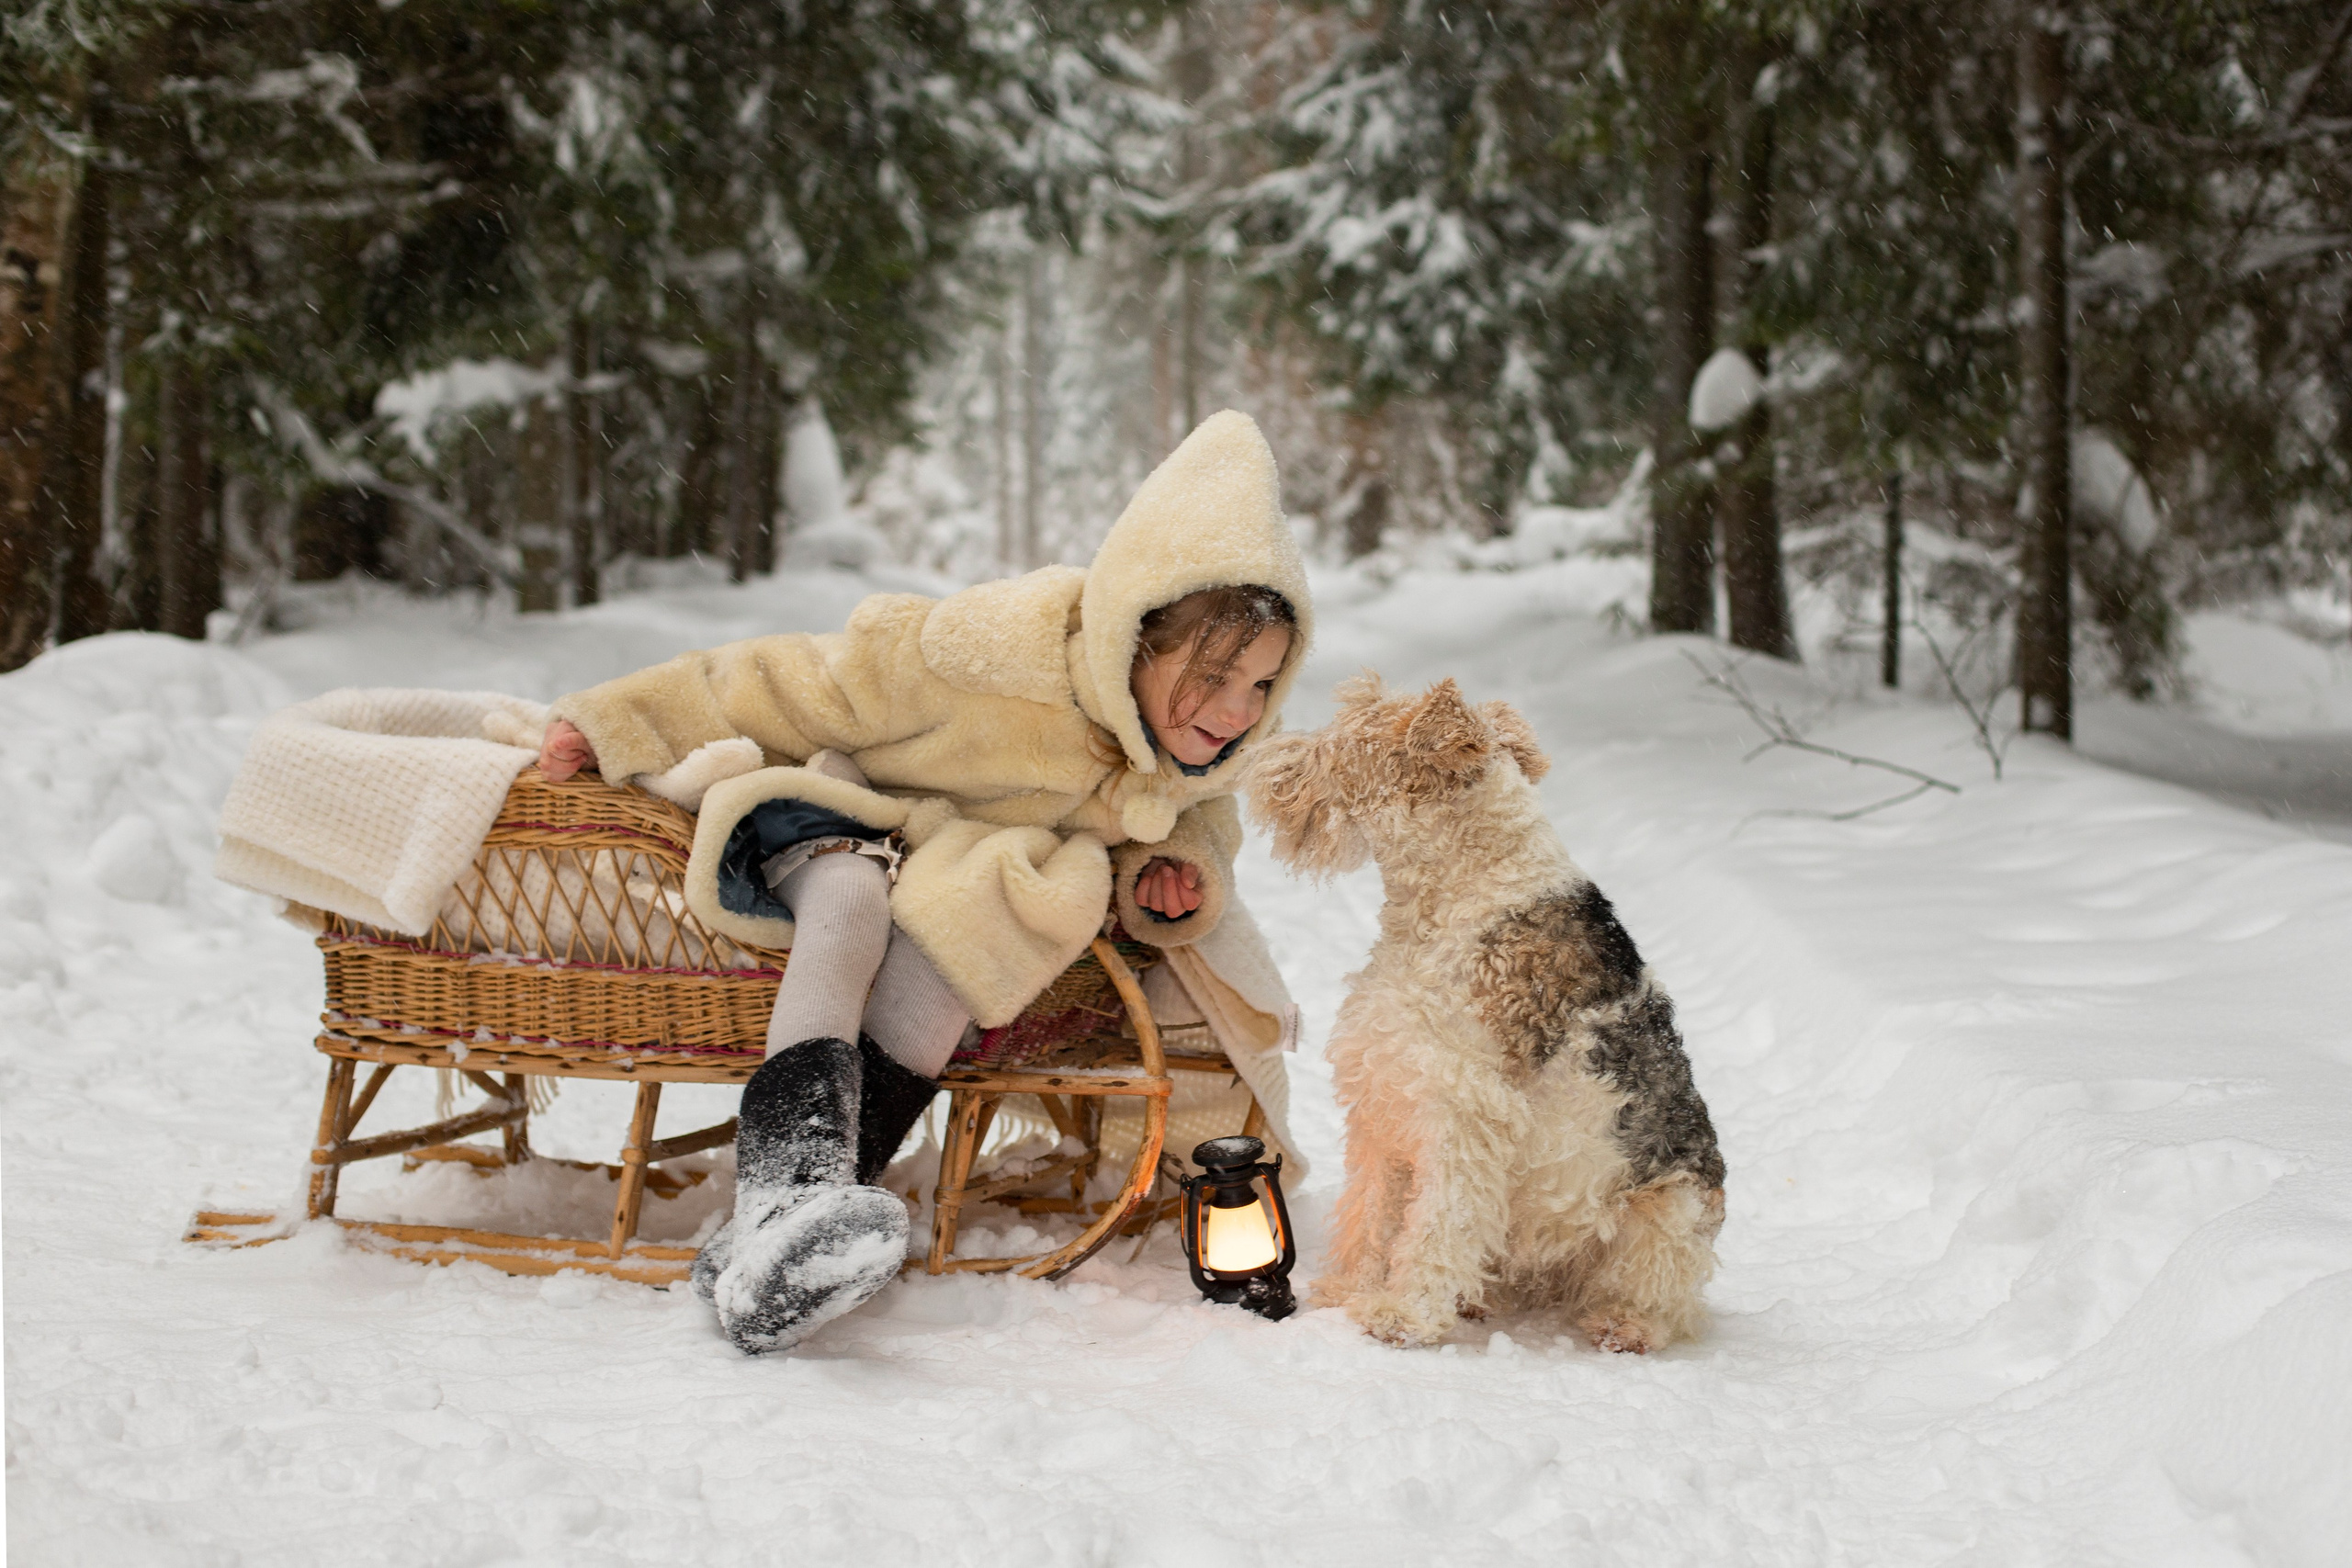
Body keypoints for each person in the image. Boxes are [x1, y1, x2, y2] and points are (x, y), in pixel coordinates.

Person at [536, 410, 1313, 1353]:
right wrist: (618, 721)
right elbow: (781, 681)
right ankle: (786, 1182)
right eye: (1215, 676)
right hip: (839, 809)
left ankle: (782, 1237)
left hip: (946, 860)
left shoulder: (1185, 762)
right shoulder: (984, 656)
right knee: (854, 905)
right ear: (1135, 634)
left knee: (965, 943)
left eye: (1263, 687)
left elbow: (1199, 832)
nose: (1236, 713)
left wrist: (1170, 874)